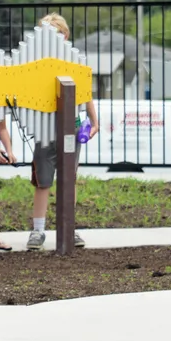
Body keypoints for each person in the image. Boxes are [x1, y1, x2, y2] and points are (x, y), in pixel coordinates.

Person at [26, 13, 101, 251]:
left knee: (69, 179)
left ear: (65, 35)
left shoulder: (76, 60)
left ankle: (69, 227)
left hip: (72, 124)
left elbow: (85, 92)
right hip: (44, 127)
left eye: (57, 34)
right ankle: (38, 230)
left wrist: (94, 120)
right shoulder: (34, 61)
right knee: (43, 182)